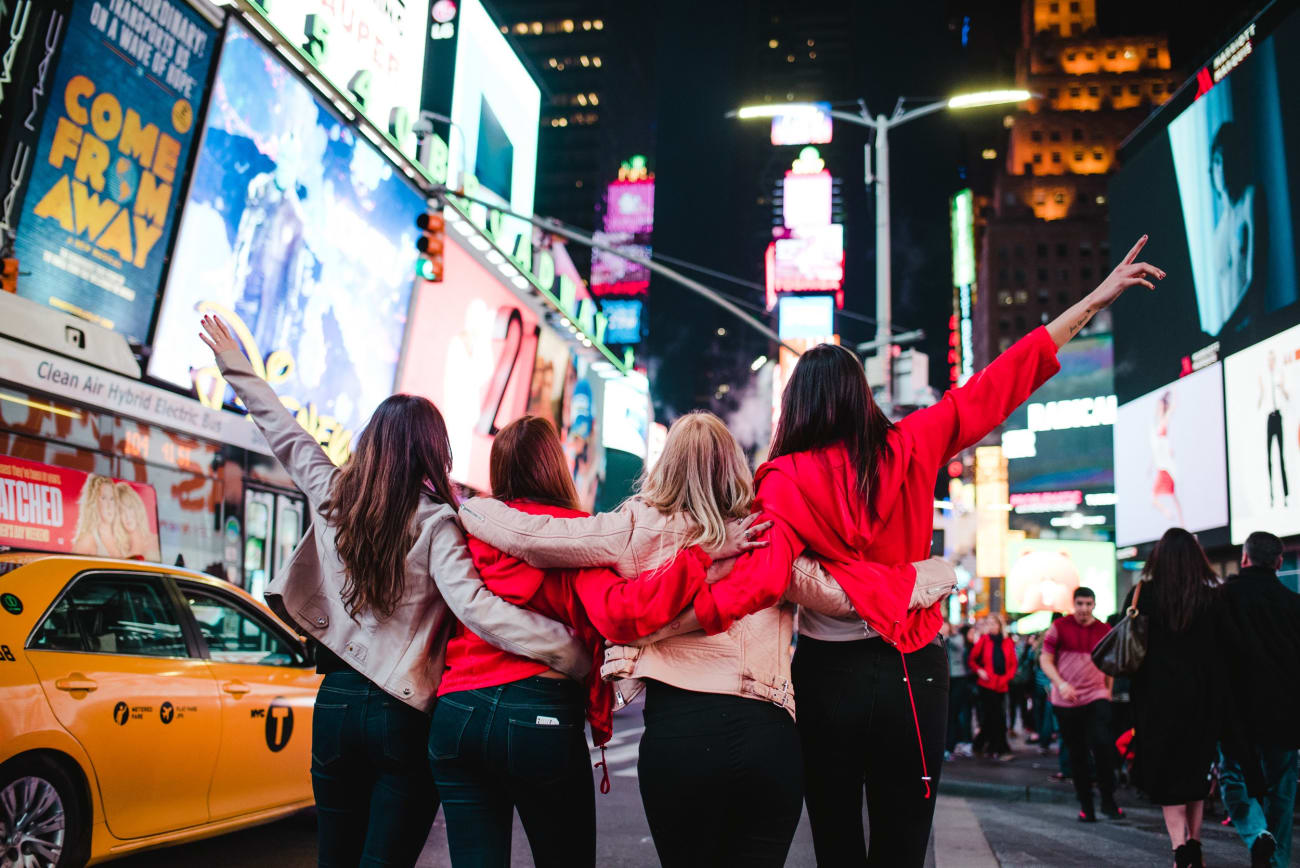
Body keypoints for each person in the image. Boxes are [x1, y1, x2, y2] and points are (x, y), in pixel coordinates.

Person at [665, 236, 1166, 865]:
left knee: (837, 845)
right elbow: (999, 383)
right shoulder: (912, 444)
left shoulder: (781, 480)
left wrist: (679, 612)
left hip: (825, 680)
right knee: (905, 846)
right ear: (860, 396)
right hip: (913, 671)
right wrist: (1094, 298)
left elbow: (765, 579)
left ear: (797, 406)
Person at [459, 411, 950, 866]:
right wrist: (936, 575)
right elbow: (840, 593)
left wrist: (472, 511)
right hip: (768, 738)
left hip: (679, 737)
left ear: (666, 465)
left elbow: (538, 536)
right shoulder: (765, 530)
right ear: (735, 465)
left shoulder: (631, 527)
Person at [199, 316, 591, 868]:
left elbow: (283, 430)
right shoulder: (439, 524)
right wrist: (567, 649)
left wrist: (236, 366)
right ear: (434, 451)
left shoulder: (334, 493)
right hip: (400, 713)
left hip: (333, 702)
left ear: (372, 442)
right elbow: (478, 611)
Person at [430, 416, 733, 867]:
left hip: (456, 711)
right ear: (555, 465)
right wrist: (698, 560)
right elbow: (624, 612)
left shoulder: (468, 529)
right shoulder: (577, 537)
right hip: (538, 710)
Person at [1126, 528, 1258, 868]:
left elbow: (1131, 652)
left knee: (1169, 777)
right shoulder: (1214, 597)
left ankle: (1179, 847)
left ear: (1160, 557)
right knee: (1195, 775)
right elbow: (1233, 649)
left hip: (1157, 703)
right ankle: (1195, 844)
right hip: (1204, 701)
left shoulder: (1143, 595)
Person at [1217, 531, 1300, 868]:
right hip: (1284, 713)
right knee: (1281, 790)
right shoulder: (1294, 605)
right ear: (1279, 562)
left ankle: (1255, 833)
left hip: (1237, 713)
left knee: (1234, 777)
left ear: (1245, 558)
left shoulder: (1223, 598)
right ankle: (1276, 860)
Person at [1039, 587, 1120, 822]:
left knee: (1104, 746)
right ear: (1073, 604)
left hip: (1096, 696)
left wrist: (1108, 691)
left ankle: (1108, 800)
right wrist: (1061, 684)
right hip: (1066, 700)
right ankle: (1087, 806)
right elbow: (1045, 659)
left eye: (1088, 604)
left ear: (1094, 605)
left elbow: (1110, 665)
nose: (1084, 609)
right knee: (1078, 753)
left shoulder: (1104, 630)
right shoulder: (1060, 627)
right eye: (1080, 604)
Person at [969, 616, 1016, 760]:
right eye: (989, 623)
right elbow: (972, 660)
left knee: (993, 718)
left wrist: (1006, 678)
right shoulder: (984, 640)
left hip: (1002, 684)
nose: (991, 626)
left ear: (999, 625)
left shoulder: (1008, 642)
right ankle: (1002, 750)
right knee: (997, 718)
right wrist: (979, 671)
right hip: (986, 685)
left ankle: (980, 745)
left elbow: (1013, 664)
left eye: (993, 623)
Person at [944, 622, 975, 758]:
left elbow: (960, 649)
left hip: (959, 679)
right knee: (948, 713)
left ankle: (955, 744)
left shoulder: (957, 638)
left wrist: (946, 638)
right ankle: (951, 744)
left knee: (955, 712)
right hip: (946, 678)